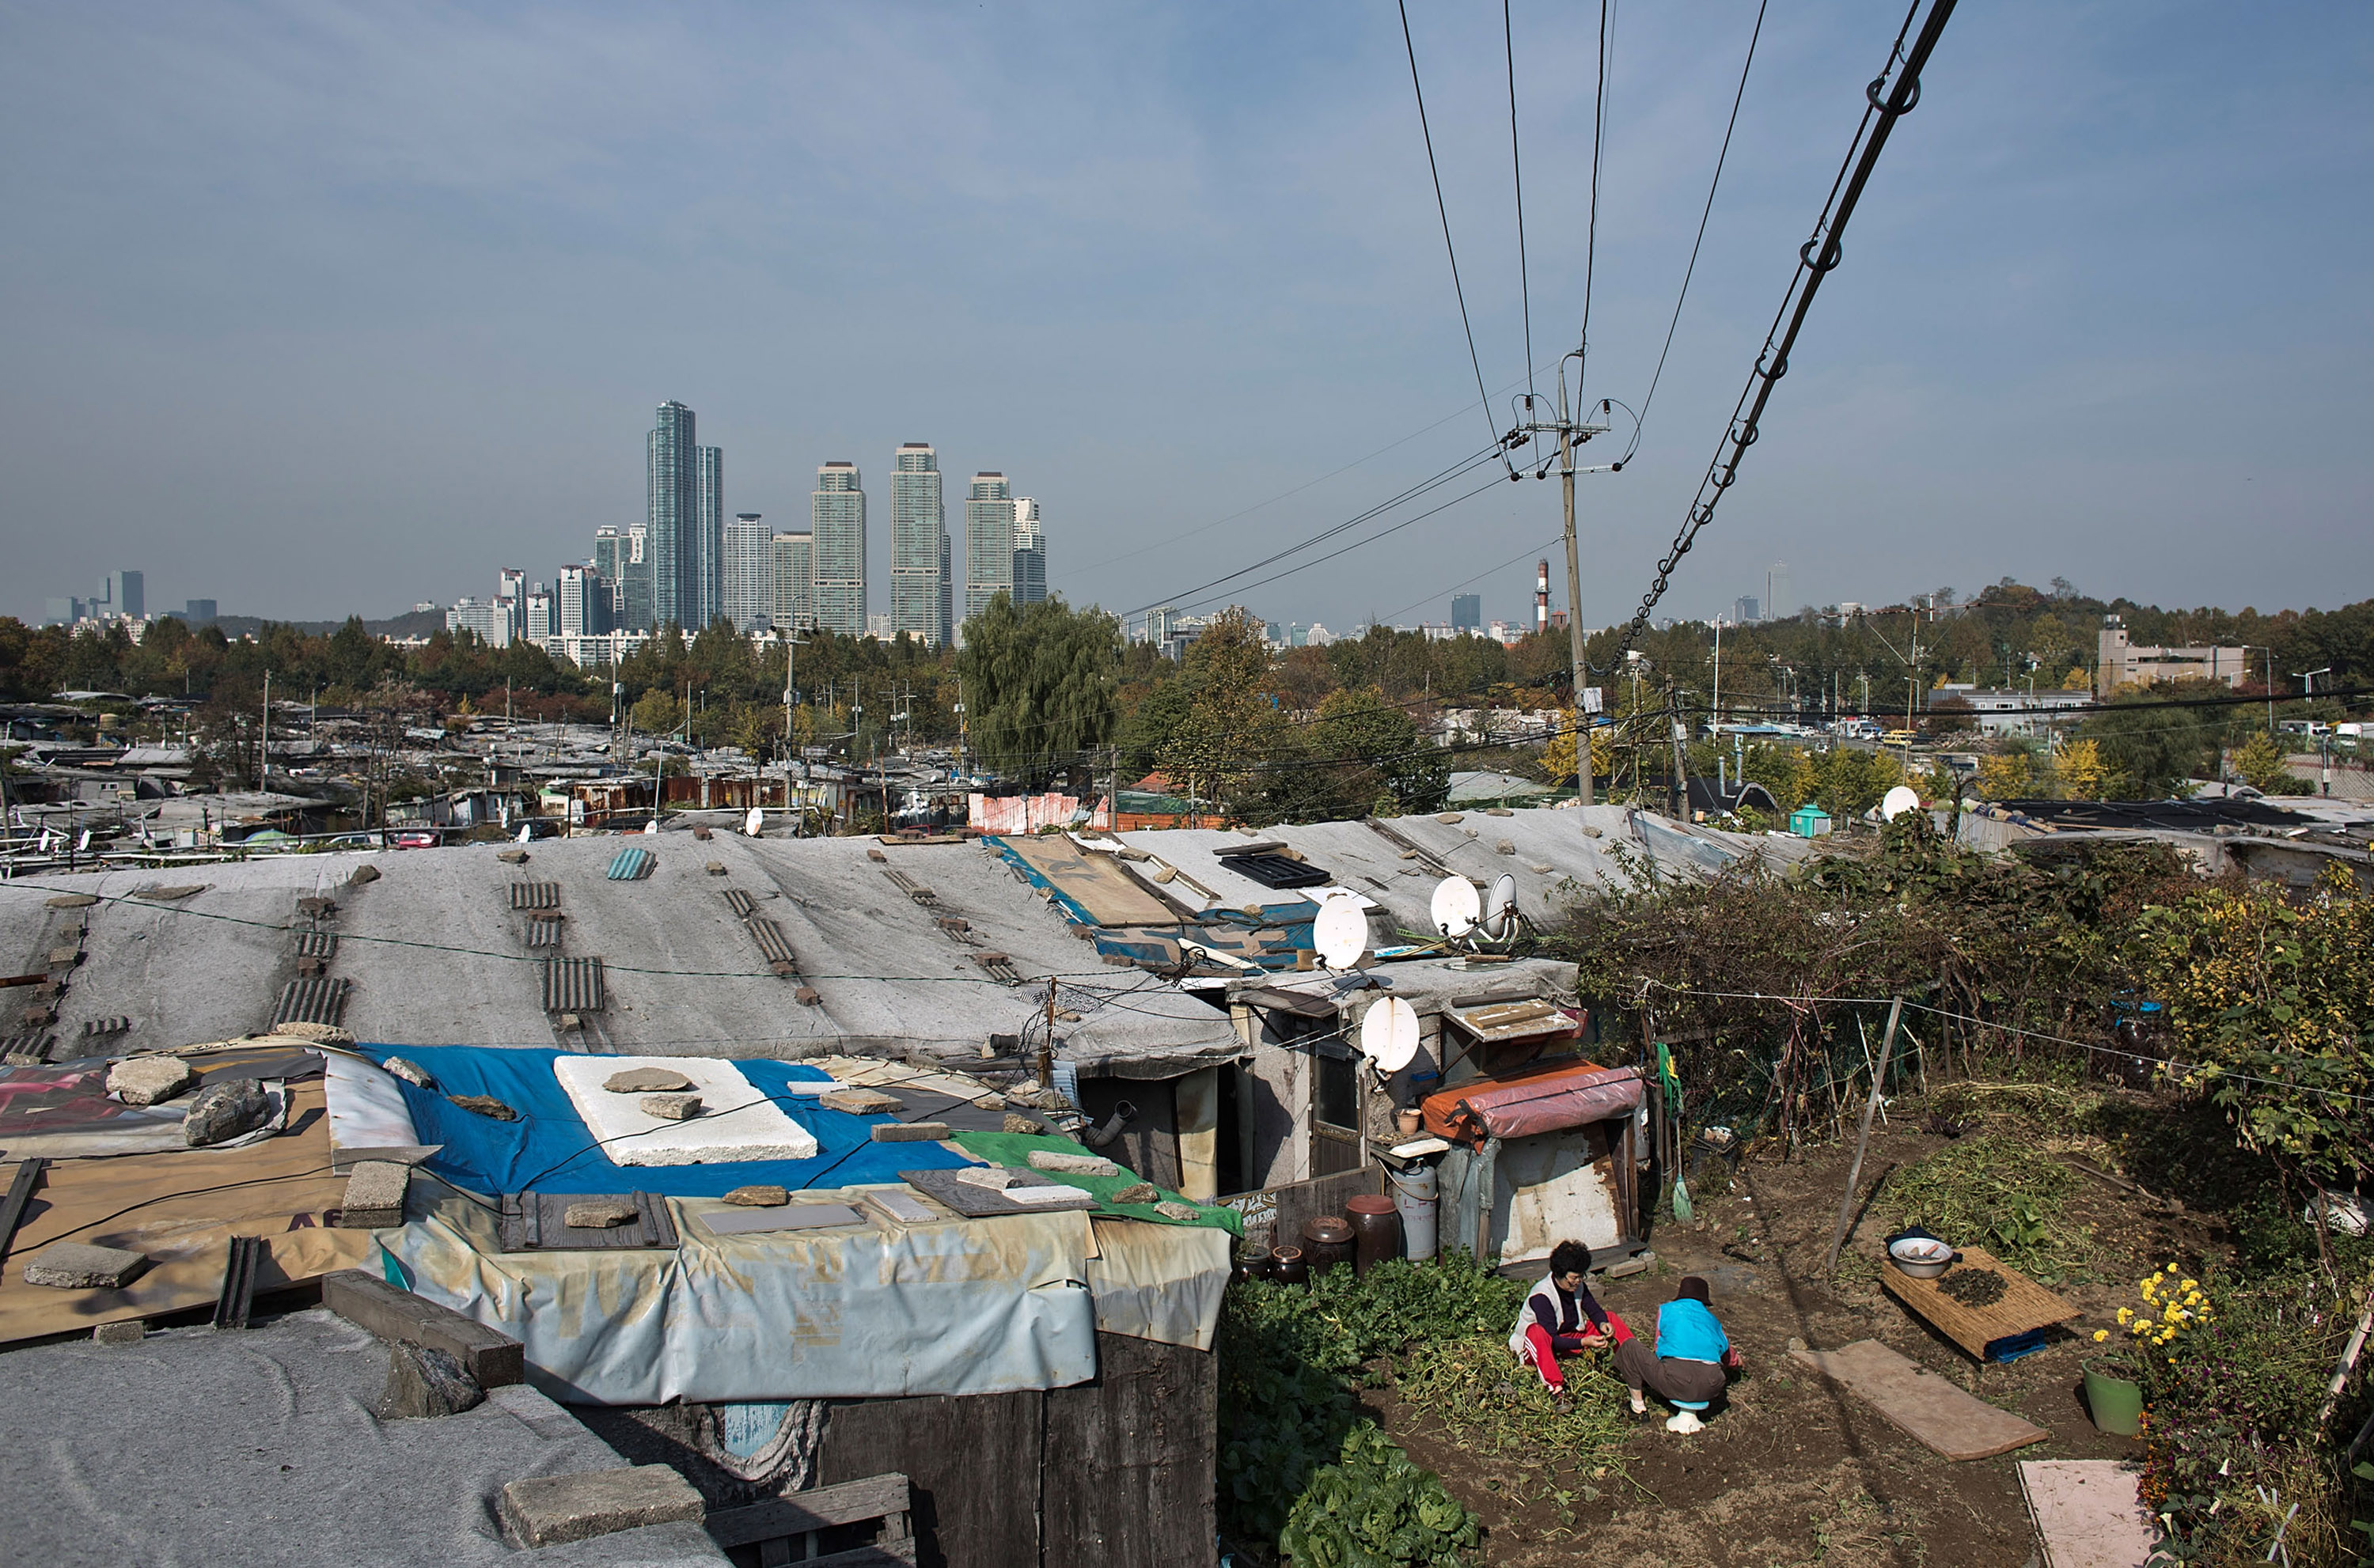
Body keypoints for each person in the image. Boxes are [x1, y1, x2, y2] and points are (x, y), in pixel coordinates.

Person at [1613, 1276, 1743, 1434]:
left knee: (1629, 1347)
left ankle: (1638, 1409)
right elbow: (1729, 1356)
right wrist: (1738, 1364)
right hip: (1711, 1386)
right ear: (1704, 1301)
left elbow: (1658, 1348)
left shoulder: (1667, 1310)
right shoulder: (1713, 1320)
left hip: (1676, 1381)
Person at [1507, 1240, 1630, 1394]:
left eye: (1581, 1277)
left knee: (1610, 1318)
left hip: (1570, 1337)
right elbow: (1553, 1339)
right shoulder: (1542, 1296)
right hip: (1543, 1346)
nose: (1578, 1281)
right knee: (1536, 1331)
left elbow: (1593, 1309)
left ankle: (1635, 1362)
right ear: (1560, 1274)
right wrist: (1583, 1342)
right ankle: (1556, 1389)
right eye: (1574, 1278)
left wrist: (1602, 1323)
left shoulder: (1578, 1287)